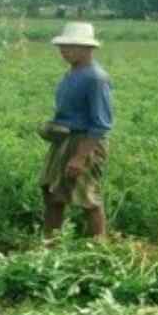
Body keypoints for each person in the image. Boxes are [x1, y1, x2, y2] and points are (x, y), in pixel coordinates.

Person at [40, 22, 113, 240]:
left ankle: (99, 248)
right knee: (52, 193)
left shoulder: (96, 78)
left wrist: (80, 157)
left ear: (87, 48)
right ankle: (50, 246)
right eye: (62, 46)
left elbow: (101, 124)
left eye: (70, 46)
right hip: (64, 141)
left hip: (85, 143)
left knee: (87, 197)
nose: (63, 51)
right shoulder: (72, 73)